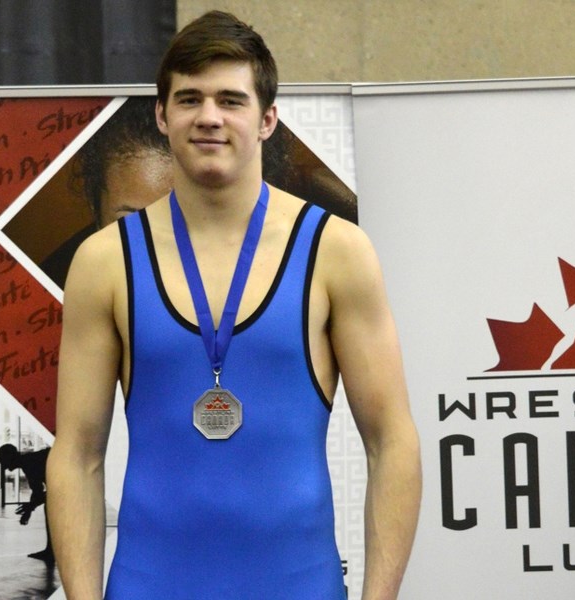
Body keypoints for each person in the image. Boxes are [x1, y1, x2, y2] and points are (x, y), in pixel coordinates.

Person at [47, 10, 421, 600]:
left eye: (231, 99)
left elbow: (391, 439)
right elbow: (78, 454)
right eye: (190, 99)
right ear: (162, 115)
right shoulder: (105, 262)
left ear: (268, 118)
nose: (210, 117)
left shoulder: (336, 252)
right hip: (149, 585)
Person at [0, 444, 54, 562]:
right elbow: (38, 492)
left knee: (50, 508)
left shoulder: (29, 463)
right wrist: (29, 509)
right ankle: (50, 550)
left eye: (3, 461)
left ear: (10, 457)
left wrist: (29, 508)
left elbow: (44, 492)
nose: (4, 466)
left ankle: (50, 551)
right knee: (49, 508)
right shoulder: (29, 461)